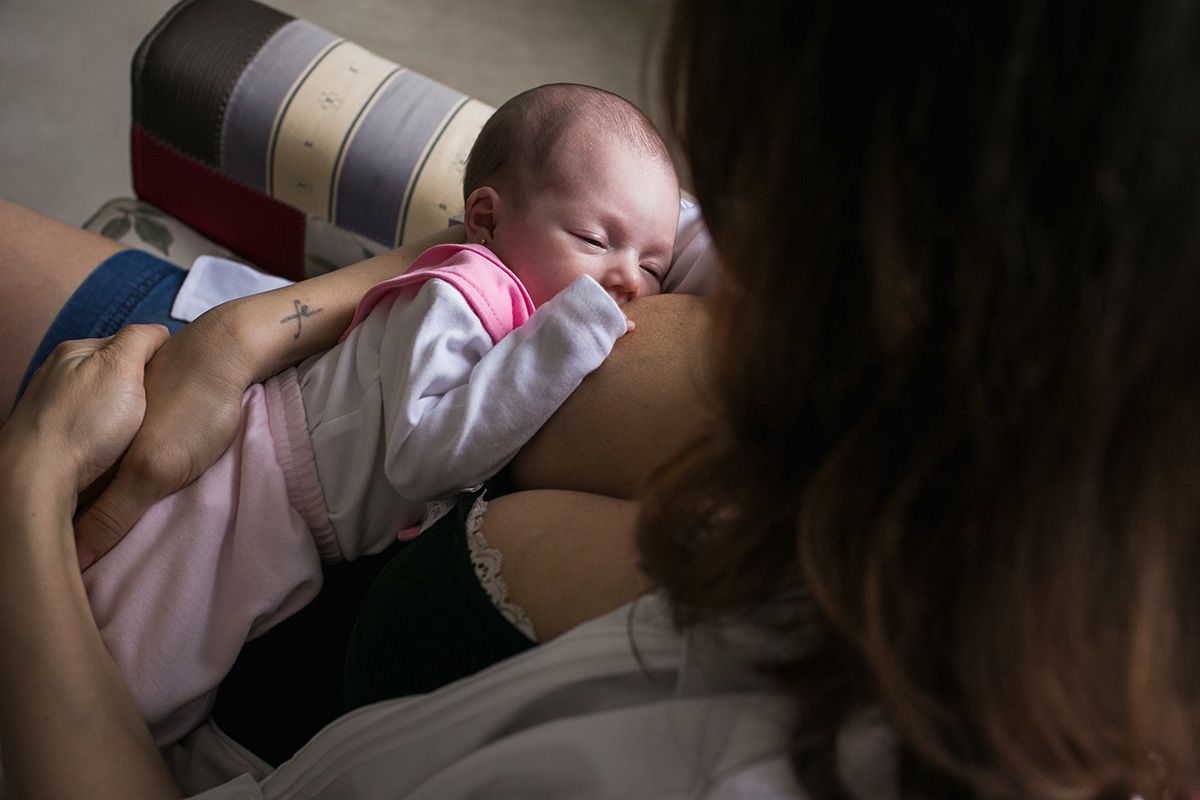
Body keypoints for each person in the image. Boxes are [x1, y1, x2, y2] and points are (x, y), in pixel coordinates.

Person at [3, 0, 1198, 799]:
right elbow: (558, 217)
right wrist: (257, 327)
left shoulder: (677, 759)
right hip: (271, 381)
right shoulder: (973, 414)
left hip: (150, 629)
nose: (654, 279)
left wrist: (30, 491)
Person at [2, 81, 682, 759]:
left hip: (298, 524)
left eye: (654, 267)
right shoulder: (462, 295)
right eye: (595, 239)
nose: (627, 282)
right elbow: (424, 458)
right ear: (487, 218)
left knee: (150, 672)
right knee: (127, 662)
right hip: (255, 482)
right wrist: (568, 336)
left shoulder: (518, 301)